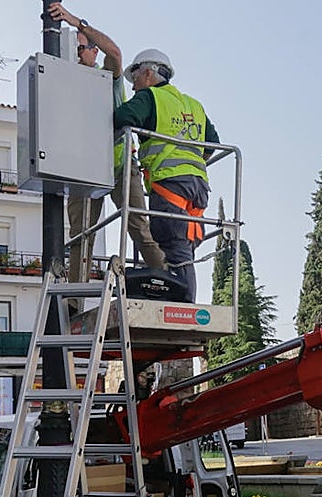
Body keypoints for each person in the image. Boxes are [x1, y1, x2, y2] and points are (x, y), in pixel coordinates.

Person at [48, 5, 166, 283]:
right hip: (84, 169)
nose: (77, 54)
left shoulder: (107, 77)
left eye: (81, 48)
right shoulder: (68, 85)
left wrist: (79, 24)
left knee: (138, 227)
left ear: (93, 51)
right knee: (80, 234)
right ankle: (75, 299)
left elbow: (115, 53)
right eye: (74, 50)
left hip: (121, 165)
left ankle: (169, 280)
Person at [114, 47, 219, 301]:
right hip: (198, 190)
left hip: (169, 186)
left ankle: (183, 308)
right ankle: (180, 303)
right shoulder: (193, 104)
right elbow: (213, 143)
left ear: (148, 73)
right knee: (184, 249)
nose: (135, 86)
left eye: (136, 78)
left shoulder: (150, 97)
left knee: (173, 248)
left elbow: (121, 117)